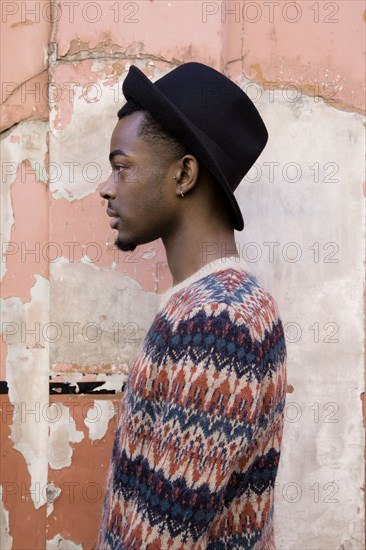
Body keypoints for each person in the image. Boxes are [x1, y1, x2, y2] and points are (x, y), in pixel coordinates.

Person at [97, 62, 287, 549]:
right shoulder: (207, 305)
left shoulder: (219, 321)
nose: (106, 187)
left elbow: (164, 537)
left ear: (183, 174)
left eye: (122, 167)